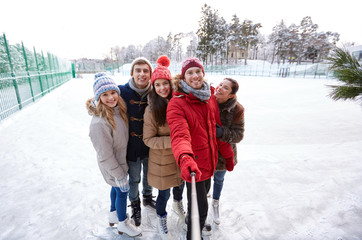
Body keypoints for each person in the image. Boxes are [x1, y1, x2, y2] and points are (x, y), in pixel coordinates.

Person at [166, 57, 235, 240]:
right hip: (193, 167)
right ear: (183, 77)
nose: (195, 76)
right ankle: (193, 234)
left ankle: (192, 220)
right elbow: (180, 135)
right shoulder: (177, 103)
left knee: (201, 199)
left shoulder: (210, 97)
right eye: (190, 72)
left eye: (198, 71)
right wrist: (185, 158)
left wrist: (228, 155)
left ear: (203, 73)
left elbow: (214, 130)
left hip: (209, 163)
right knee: (200, 209)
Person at [86, 73, 141, 237]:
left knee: (116, 190)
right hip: (113, 165)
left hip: (119, 161)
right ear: (98, 97)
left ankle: (113, 214)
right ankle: (123, 223)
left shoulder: (116, 111)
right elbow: (105, 155)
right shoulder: (99, 123)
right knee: (122, 191)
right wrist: (119, 174)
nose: (111, 98)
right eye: (105, 95)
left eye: (113, 92)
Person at [143, 55, 186, 239]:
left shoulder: (180, 102)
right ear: (153, 86)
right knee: (163, 195)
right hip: (161, 162)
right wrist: (174, 140)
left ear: (170, 83)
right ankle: (162, 219)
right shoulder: (151, 109)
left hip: (180, 158)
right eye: (157, 84)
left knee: (180, 186)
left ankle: (178, 205)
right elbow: (148, 139)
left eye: (165, 83)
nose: (162, 88)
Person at [118, 57, 156, 226]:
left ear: (150, 74)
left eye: (145, 71)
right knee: (133, 178)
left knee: (149, 175)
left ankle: (148, 197)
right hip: (131, 146)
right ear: (132, 73)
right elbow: (103, 99)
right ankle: (135, 203)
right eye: (138, 70)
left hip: (150, 145)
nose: (142, 74)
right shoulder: (121, 91)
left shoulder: (156, 92)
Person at [212, 77, 245, 225]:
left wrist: (222, 133)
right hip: (206, 151)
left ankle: (215, 202)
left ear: (231, 95)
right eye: (220, 84)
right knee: (204, 180)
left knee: (218, 179)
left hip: (223, 156)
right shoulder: (207, 100)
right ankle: (204, 201)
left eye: (225, 88)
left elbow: (239, 135)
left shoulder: (237, 109)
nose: (220, 88)